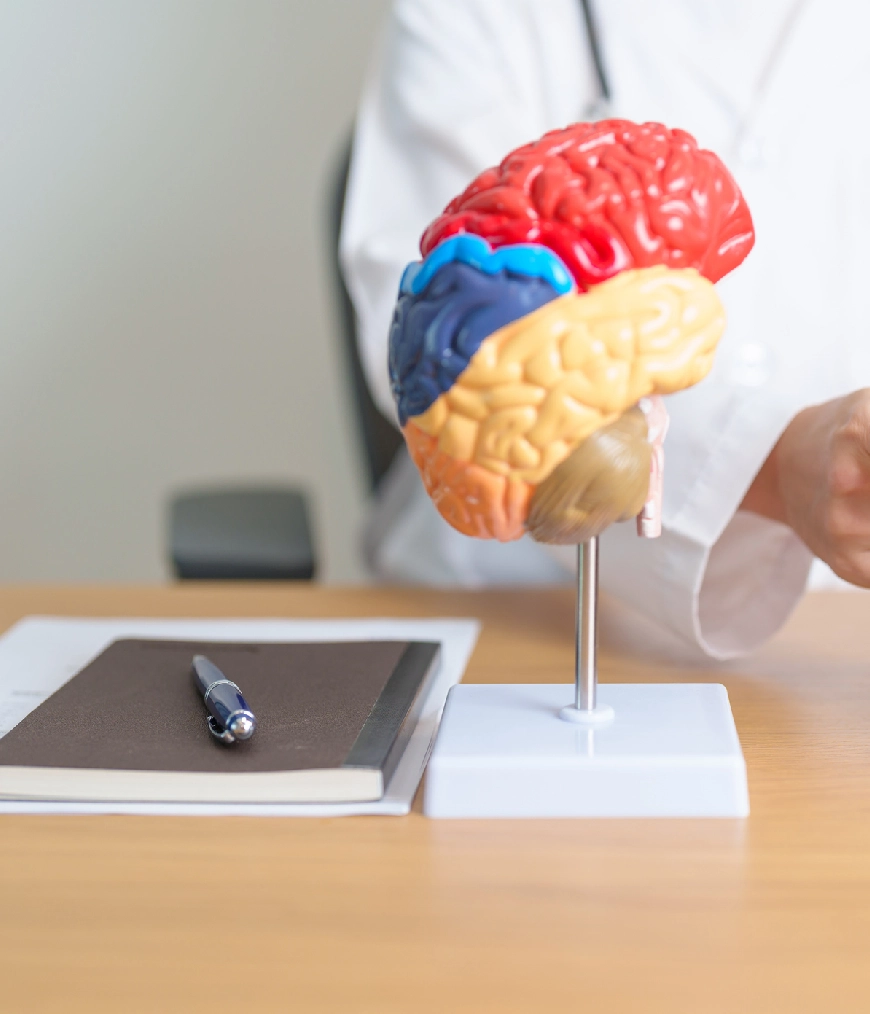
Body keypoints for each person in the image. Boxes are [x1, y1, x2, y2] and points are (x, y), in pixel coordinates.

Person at [340, 0, 870, 659]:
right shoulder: (473, 13)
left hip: (837, 647)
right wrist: (780, 462)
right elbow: (435, 335)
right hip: (499, 619)